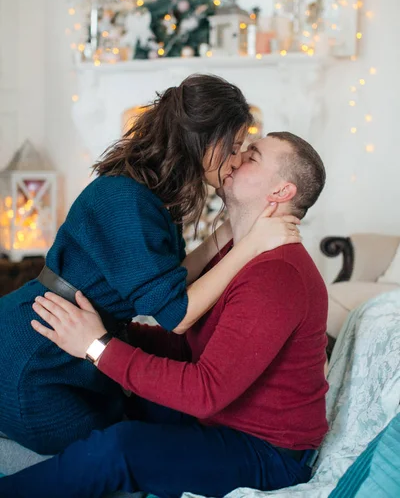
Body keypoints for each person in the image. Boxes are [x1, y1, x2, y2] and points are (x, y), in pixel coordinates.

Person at [0, 132, 329, 498]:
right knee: (110, 396)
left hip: (265, 451)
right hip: (218, 418)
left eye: (252, 156)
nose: (235, 159)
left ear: (281, 192)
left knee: (123, 447)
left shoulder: (277, 275)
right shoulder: (238, 253)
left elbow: (206, 391)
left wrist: (97, 346)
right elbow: (191, 346)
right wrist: (102, 331)